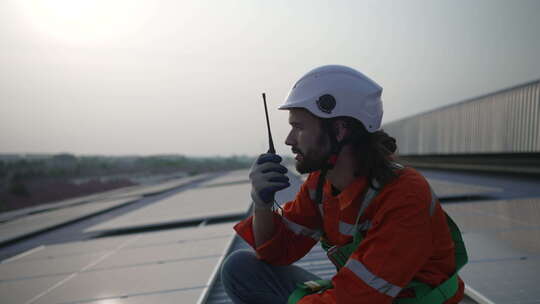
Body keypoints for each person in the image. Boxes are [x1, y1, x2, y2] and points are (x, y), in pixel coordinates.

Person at [220, 65, 467, 304]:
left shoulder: (405, 196)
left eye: (298, 127)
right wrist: (261, 204)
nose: (289, 140)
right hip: (362, 296)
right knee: (241, 269)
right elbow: (276, 252)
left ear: (339, 130)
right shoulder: (322, 185)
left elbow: (358, 298)